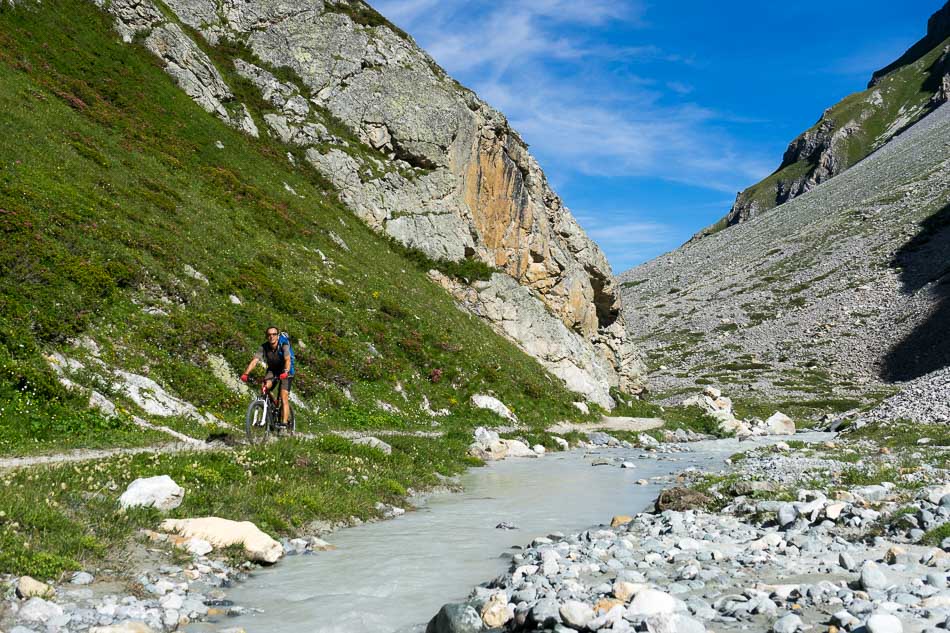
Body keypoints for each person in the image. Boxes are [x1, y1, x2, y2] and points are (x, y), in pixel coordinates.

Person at [241, 327, 294, 425]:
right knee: (264, 387)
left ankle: (284, 424)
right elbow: (255, 361)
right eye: (269, 335)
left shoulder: (284, 345)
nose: (271, 336)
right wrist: (246, 373)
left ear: (277, 336)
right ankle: (273, 404)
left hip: (286, 371)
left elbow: (287, 360)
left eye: (274, 334)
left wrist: (286, 371)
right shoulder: (264, 347)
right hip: (273, 370)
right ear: (266, 336)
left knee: (284, 396)